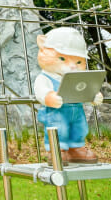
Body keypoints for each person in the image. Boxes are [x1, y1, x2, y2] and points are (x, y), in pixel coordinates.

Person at [34, 27, 103, 164]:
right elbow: (40, 90)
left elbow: (85, 89)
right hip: (56, 113)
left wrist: (93, 95)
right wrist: (49, 97)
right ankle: (57, 149)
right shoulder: (45, 77)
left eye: (78, 62)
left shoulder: (78, 77)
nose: (72, 66)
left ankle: (76, 148)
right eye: (62, 59)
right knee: (59, 129)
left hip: (77, 111)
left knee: (79, 128)